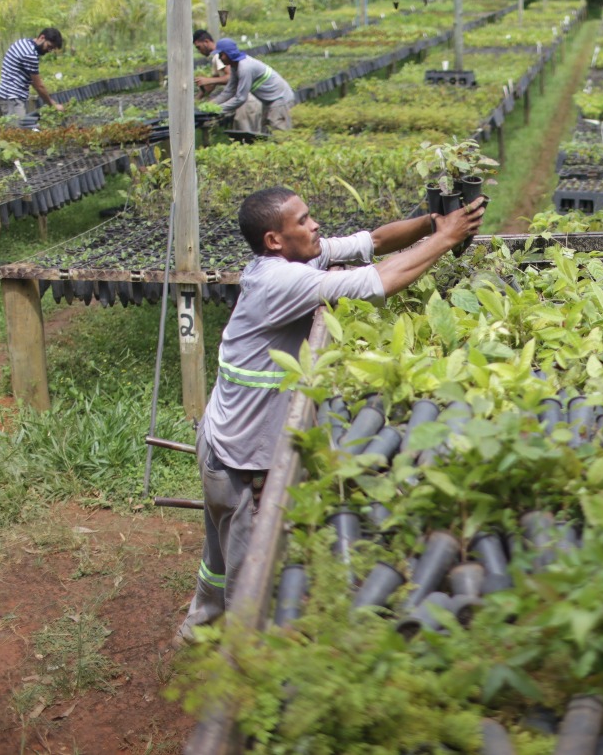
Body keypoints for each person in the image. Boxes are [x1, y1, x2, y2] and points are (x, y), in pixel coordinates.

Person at [174, 187, 485, 646]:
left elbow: (374, 243)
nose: (315, 225)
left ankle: (196, 630)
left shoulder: (294, 261)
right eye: (303, 220)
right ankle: (240, 669)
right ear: (275, 240)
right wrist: (445, 240)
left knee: (219, 554)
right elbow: (377, 281)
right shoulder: (279, 282)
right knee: (251, 572)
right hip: (242, 459)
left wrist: (430, 223)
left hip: (221, 439)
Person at [208, 37, 296, 133]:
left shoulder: (244, 68)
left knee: (279, 132)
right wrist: (213, 105)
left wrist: (218, 109)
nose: (220, 58)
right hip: (270, 101)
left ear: (229, 53)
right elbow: (229, 91)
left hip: (280, 99)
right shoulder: (235, 66)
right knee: (265, 133)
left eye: (221, 55)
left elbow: (241, 98)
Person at [0, 27, 65, 120]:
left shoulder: (24, 43)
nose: (49, 50)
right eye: (49, 46)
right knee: (18, 130)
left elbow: (31, 78)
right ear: (42, 38)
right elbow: (39, 86)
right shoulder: (30, 54)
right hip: (12, 97)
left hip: (6, 94)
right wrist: (53, 105)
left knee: (11, 128)